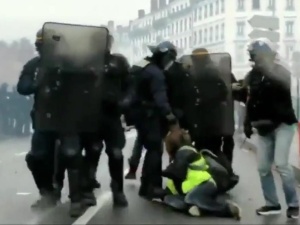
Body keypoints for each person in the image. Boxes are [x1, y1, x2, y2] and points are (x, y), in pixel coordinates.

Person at [244, 38, 299, 219]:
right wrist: (247, 122)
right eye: (254, 56)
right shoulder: (252, 75)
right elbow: (249, 100)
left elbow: (276, 98)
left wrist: (264, 121)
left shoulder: (280, 72)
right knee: (263, 167)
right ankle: (272, 204)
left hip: (282, 124)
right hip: (264, 127)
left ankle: (294, 205)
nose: (255, 60)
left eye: (258, 56)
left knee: (282, 164)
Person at [127, 41, 181, 199]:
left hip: (137, 114)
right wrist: (170, 117)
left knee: (148, 147)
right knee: (154, 150)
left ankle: (146, 186)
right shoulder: (156, 73)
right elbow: (160, 98)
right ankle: (152, 186)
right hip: (150, 115)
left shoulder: (141, 65)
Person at [17, 29, 59, 209]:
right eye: (40, 45)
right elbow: (23, 87)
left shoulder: (69, 64)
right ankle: (46, 192)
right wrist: (37, 83)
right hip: (43, 119)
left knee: (73, 154)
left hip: (69, 117)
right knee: (36, 157)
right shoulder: (34, 65)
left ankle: (81, 193)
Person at [162, 129, 241, 220]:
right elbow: (174, 184)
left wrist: (159, 173)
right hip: (200, 186)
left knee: (191, 198)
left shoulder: (184, 153)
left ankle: (227, 209)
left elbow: (175, 172)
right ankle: (194, 207)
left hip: (203, 184)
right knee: (169, 198)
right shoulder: (187, 153)